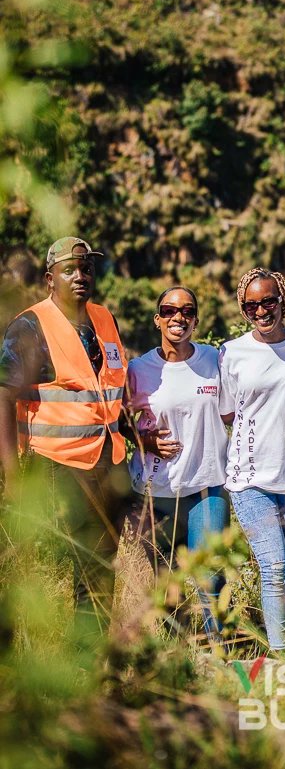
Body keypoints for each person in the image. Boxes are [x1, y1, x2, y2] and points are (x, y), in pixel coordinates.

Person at [0, 236, 130, 625]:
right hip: (59, 463)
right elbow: (4, 398)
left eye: (86, 268)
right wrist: (12, 478)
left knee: (103, 561)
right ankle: (86, 663)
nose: (80, 276)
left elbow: (110, 388)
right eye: (69, 270)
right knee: (90, 563)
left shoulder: (104, 319)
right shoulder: (29, 325)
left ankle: (91, 661)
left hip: (108, 460)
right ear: (49, 279)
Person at [218, 268, 285, 651]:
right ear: (243, 310)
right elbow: (228, 412)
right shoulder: (232, 353)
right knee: (275, 566)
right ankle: (279, 657)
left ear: (283, 300)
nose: (261, 310)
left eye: (268, 301)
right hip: (251, 479)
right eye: (251, 306)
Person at [124, 286, 230, 645]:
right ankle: (174, 655)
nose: (178, 317)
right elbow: (120, 418)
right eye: (169, 311)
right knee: (165, 580)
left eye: (186, 311)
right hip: (156, 492)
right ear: (158, 320)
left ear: (196, 321)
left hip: (206, 485)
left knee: (211, 574)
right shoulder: (139, 369)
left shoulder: (213, 359)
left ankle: (218, 651)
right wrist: (146, 440)